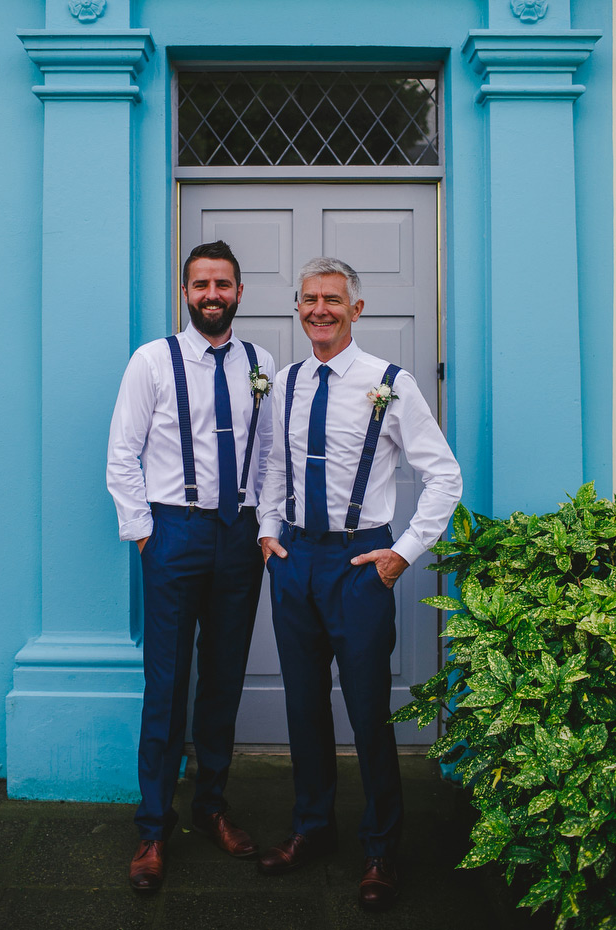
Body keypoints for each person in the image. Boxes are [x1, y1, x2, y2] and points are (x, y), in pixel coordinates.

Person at [256, 257, 462, 911]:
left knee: (369, 711)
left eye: (333, 299)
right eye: (310, 299)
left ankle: (380, 849)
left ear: (356, 309)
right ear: (298, 306)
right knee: (304, 706)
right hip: (295, 562)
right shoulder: (284, 383)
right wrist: (267, 532)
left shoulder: (390, 383)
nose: (320, 309)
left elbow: (444, 476)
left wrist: (401, 553)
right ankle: (312, 830)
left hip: (358, 566)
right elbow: (271, 465)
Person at [107, 240, 275, 892]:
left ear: (238, 291)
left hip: (238, 537)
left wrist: (264, 526)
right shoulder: (152, 360)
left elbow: (267, 454)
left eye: (223, 284)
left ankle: (211, 808)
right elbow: (123, 452)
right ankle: (153, 827)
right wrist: (147, 535)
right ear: (186, 292)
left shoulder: (261, 362)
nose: (212, 294)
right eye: (201, 283)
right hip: (172, 533)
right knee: (167, 683)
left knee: (224, 678)